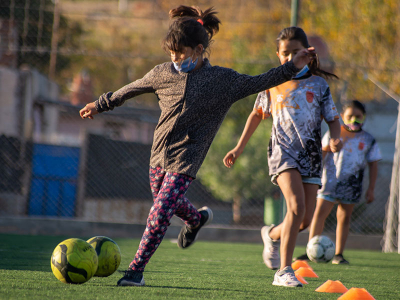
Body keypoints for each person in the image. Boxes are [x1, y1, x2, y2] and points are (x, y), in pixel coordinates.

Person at [79, 7, 315, 287]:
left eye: (179, 53)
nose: (174, 59)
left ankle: (135, 271)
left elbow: (260, 81)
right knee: (167, 204)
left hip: (186, 160)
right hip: (158, 157)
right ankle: (196, 218)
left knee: (159, 213)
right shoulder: (161, 73)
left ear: (199, 49)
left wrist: (292, 66)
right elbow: (129, 89)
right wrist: (99, 104)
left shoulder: (222, 81)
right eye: (171, 53)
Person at [223, 27, 342, 288]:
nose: (289, 58)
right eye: (284, 53)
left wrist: (335, 138)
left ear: (307, 53)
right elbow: (256, 114)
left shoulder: (319, 85)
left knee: (305, 220)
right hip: (283, 152)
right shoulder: (272, 83)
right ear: (278, 54)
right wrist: (239, 147)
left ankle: (271, 234)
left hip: (310, 155)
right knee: (296, 208)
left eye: (294, 52)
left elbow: (333, 119)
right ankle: (284, 271)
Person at [294, 100, 381, 264]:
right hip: (329, 183)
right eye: (350, 116)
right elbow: (322, 153)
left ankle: (339, 254)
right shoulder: (335, 134)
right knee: (319, 215)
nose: (354, 120)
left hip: (352, 185)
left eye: (358, 116)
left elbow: (373, 164)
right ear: (342, 117)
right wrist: (315, 176)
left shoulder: (369, 140)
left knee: (345, 218)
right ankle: (311, 250)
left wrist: (371, 189)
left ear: (364, 117)